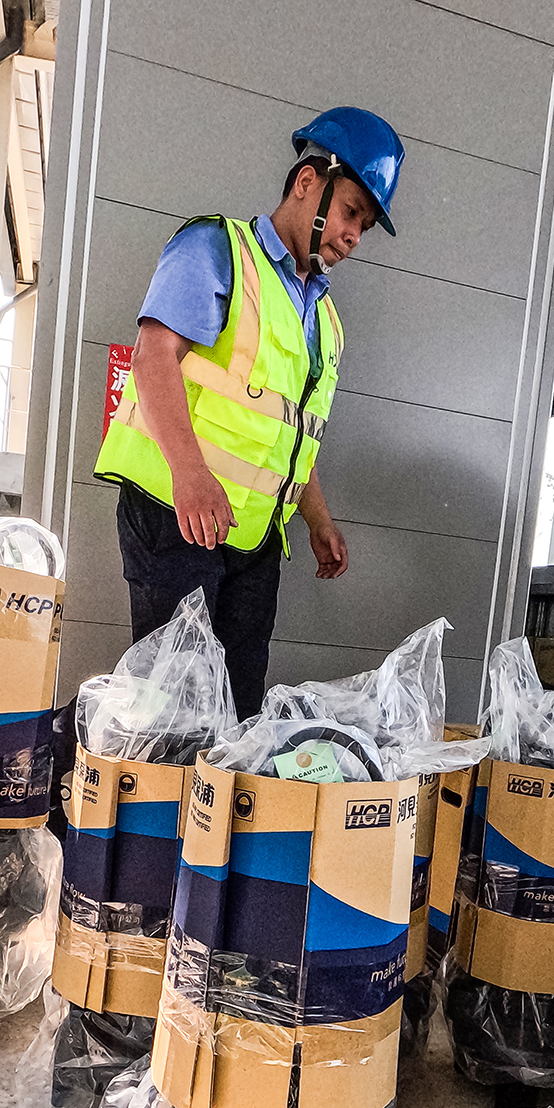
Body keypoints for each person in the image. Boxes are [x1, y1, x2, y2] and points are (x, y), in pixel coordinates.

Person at [94, 107, 405, 718]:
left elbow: (290, 432)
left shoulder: (324, 318)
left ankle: (209, 817)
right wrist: (188, 474)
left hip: (256, 536)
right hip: (175, 514)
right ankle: (141, 815)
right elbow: (153, 358)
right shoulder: (218, 250)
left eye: (364, 226)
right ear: (307, 183)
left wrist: (317, 519)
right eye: (351, 214)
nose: (353, 237)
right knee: (169, 713)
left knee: (238, 711)